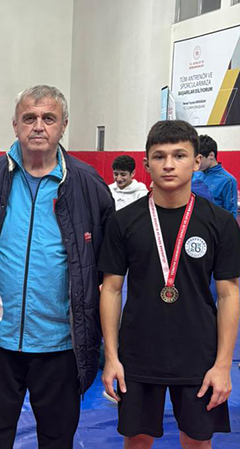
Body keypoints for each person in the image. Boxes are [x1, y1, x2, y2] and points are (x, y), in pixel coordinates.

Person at [0, 85, 114, 448]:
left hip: (61, 345)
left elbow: (102, 262)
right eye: (29, 118)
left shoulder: (89, 186)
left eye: (49, 118)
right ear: (15, 125)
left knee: (57, 440)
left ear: (64, 125)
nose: (39, 126)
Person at [100, 120, 240, 448]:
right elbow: (111, 289)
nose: (169, 164)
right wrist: (111, 357)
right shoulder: (123, 222)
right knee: (137, 440)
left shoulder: (220, 223)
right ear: (146, 163)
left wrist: (223, 365)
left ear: (196, 161)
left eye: (179, 155)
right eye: (159, 156)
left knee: (197, 441)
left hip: (198, 352)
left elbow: (228, 294)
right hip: (138, 352)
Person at [193, 134, 237, 218]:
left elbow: (231, 214)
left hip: (214, 223)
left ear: (211, 156)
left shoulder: (228, 180)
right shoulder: (195, 175)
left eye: (199, 158)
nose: (196, 162)